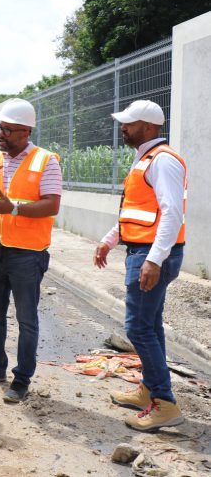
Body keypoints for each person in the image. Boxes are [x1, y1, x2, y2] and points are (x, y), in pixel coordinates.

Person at [94, 100, 187, 432]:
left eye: (129, 123)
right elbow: (138, 212)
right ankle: (149, 390)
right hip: (144, 250)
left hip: (152, 255)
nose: (123, 127)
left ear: (148, 127)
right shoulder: (145, 159)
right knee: (151, 325)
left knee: (138, 328)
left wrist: (153, 259)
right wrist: (110, 239)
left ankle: (164, 403)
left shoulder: (162, 162)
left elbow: (172, 212)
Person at [0, 98, 62, 403]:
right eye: (0, 128)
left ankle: (21, 379)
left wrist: (14, 208)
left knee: (26, 319)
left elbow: (52, 204)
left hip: (28, 254)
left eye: (8, 129)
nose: (1, 134)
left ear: (25, 131)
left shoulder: (46, 161)